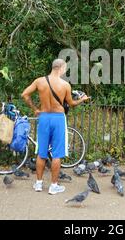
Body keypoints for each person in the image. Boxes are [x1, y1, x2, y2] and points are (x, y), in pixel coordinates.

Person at [21, 59, 89, 195]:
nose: (65, 71)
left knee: (41, 152)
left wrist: (35, 108)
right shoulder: (65, 85)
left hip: (44, 117)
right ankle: (53, 186)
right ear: (61, 68)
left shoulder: (39, 81)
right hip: (58, 119)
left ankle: (39, 184)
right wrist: (82, 99)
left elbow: (25, 94)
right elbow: (71, 103)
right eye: (65, 69)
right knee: (57, 154)